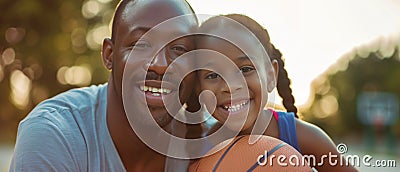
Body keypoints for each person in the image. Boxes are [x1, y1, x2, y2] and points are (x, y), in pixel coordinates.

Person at [10, 0, 200, 171]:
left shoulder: (210, 144)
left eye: (179, 49)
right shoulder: (53, 134)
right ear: (109, 55)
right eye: (141, 44)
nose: (160, 65)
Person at [194, 14, 358, 171]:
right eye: (213, 75)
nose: (230, 86)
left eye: (245, 69)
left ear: (271, 75)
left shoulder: (305, 137)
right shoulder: (198, 147)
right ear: (198, 87)